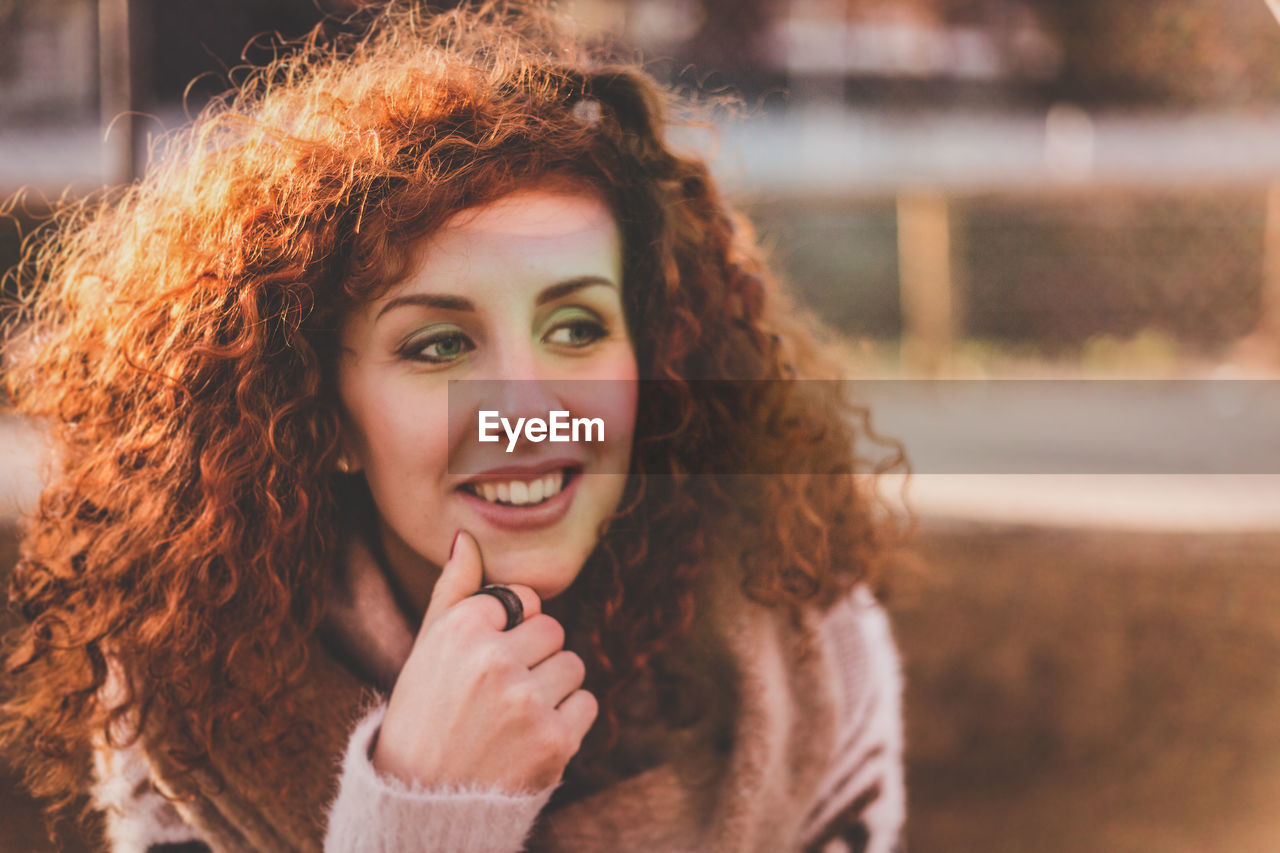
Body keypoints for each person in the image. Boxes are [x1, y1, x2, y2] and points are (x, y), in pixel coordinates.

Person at [0, 2, 907, 850]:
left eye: (577, 328)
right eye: (438, 345)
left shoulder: (808, 646)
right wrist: (420, 806)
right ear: (328, 416)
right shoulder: (189, 683)